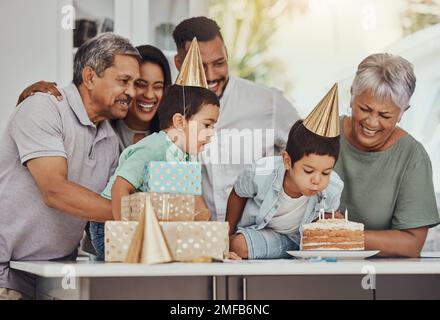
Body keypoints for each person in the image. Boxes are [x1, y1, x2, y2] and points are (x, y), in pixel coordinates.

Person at [0, 33, 140, 299]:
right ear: (89, 77)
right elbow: (55, 190)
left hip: (58, 272)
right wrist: (139, 214)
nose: (131, 92)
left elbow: (98, 213)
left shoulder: (109, 140)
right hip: (7, 273)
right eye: (124, 81)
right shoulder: (44, 107)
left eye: (134, 83)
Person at [172, 17, 301, 221]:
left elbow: (308, 154)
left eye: (219, 63)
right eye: (201, 66)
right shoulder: (171, 112)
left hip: (261, 234)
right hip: (200, 241)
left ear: (227, 55)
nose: (211, 75)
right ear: (179, 64)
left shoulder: (269, 102)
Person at [90, 84, 220, 258]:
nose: (212, 133)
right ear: (180, 122)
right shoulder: (153, 148)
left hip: (148, 226)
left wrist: (214, 246)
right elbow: (119, 188)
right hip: (110, 227)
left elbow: (197, 208)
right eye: (207, 125)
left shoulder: (187, 157)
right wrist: (127, 232)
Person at [334, 53, 440, 258]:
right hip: (311, 268)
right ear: (352, 95)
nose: (372, 123)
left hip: (382, 277)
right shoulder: (320, 135)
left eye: (385, 115)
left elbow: (411, 244)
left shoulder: (412, 157)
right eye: (365, 109)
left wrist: (345, 235)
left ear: (402, 112)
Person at [226, 85, 343, 259]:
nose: (317, 180)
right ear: (288, 161)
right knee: (238, 245)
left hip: (306, 239)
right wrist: (227, 235)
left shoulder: (333, 185)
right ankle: (289, 251)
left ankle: (295, 251)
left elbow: (329, 218)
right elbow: (238, 193)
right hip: (267, 233)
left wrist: (334, 221)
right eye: (309, 171)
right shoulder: (261, 172)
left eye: (326, 172)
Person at [17, 44, 172, 151]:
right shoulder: (101, 126)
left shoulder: (172, 136)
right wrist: (29, 99)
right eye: (140, 84)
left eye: (158, 86)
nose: (149, 95)